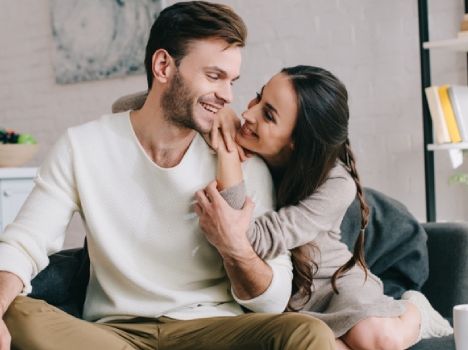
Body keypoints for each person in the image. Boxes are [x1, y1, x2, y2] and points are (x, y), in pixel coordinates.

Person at [0, 3, 335, 350]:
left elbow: (272, 300)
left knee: (308, 334)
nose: (227, 97)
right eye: (214, 76)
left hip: (210, 331)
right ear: (164, 66)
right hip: (114, 335)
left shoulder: (239, 159)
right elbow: (23, 243)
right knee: (14, 312)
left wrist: (235, 246)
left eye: (231, 82)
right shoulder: (83, 146)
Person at [194, 65, 454, 350]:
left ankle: (416, 311)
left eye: (267, 114)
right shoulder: (253, 146)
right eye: (258, 98)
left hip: (334, 284)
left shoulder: (337, 182)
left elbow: (248, 239)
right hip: (285, 297)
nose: (248, 113)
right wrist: (222, 113)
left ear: (297, 141)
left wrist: (228, 152)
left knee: (380, 340)